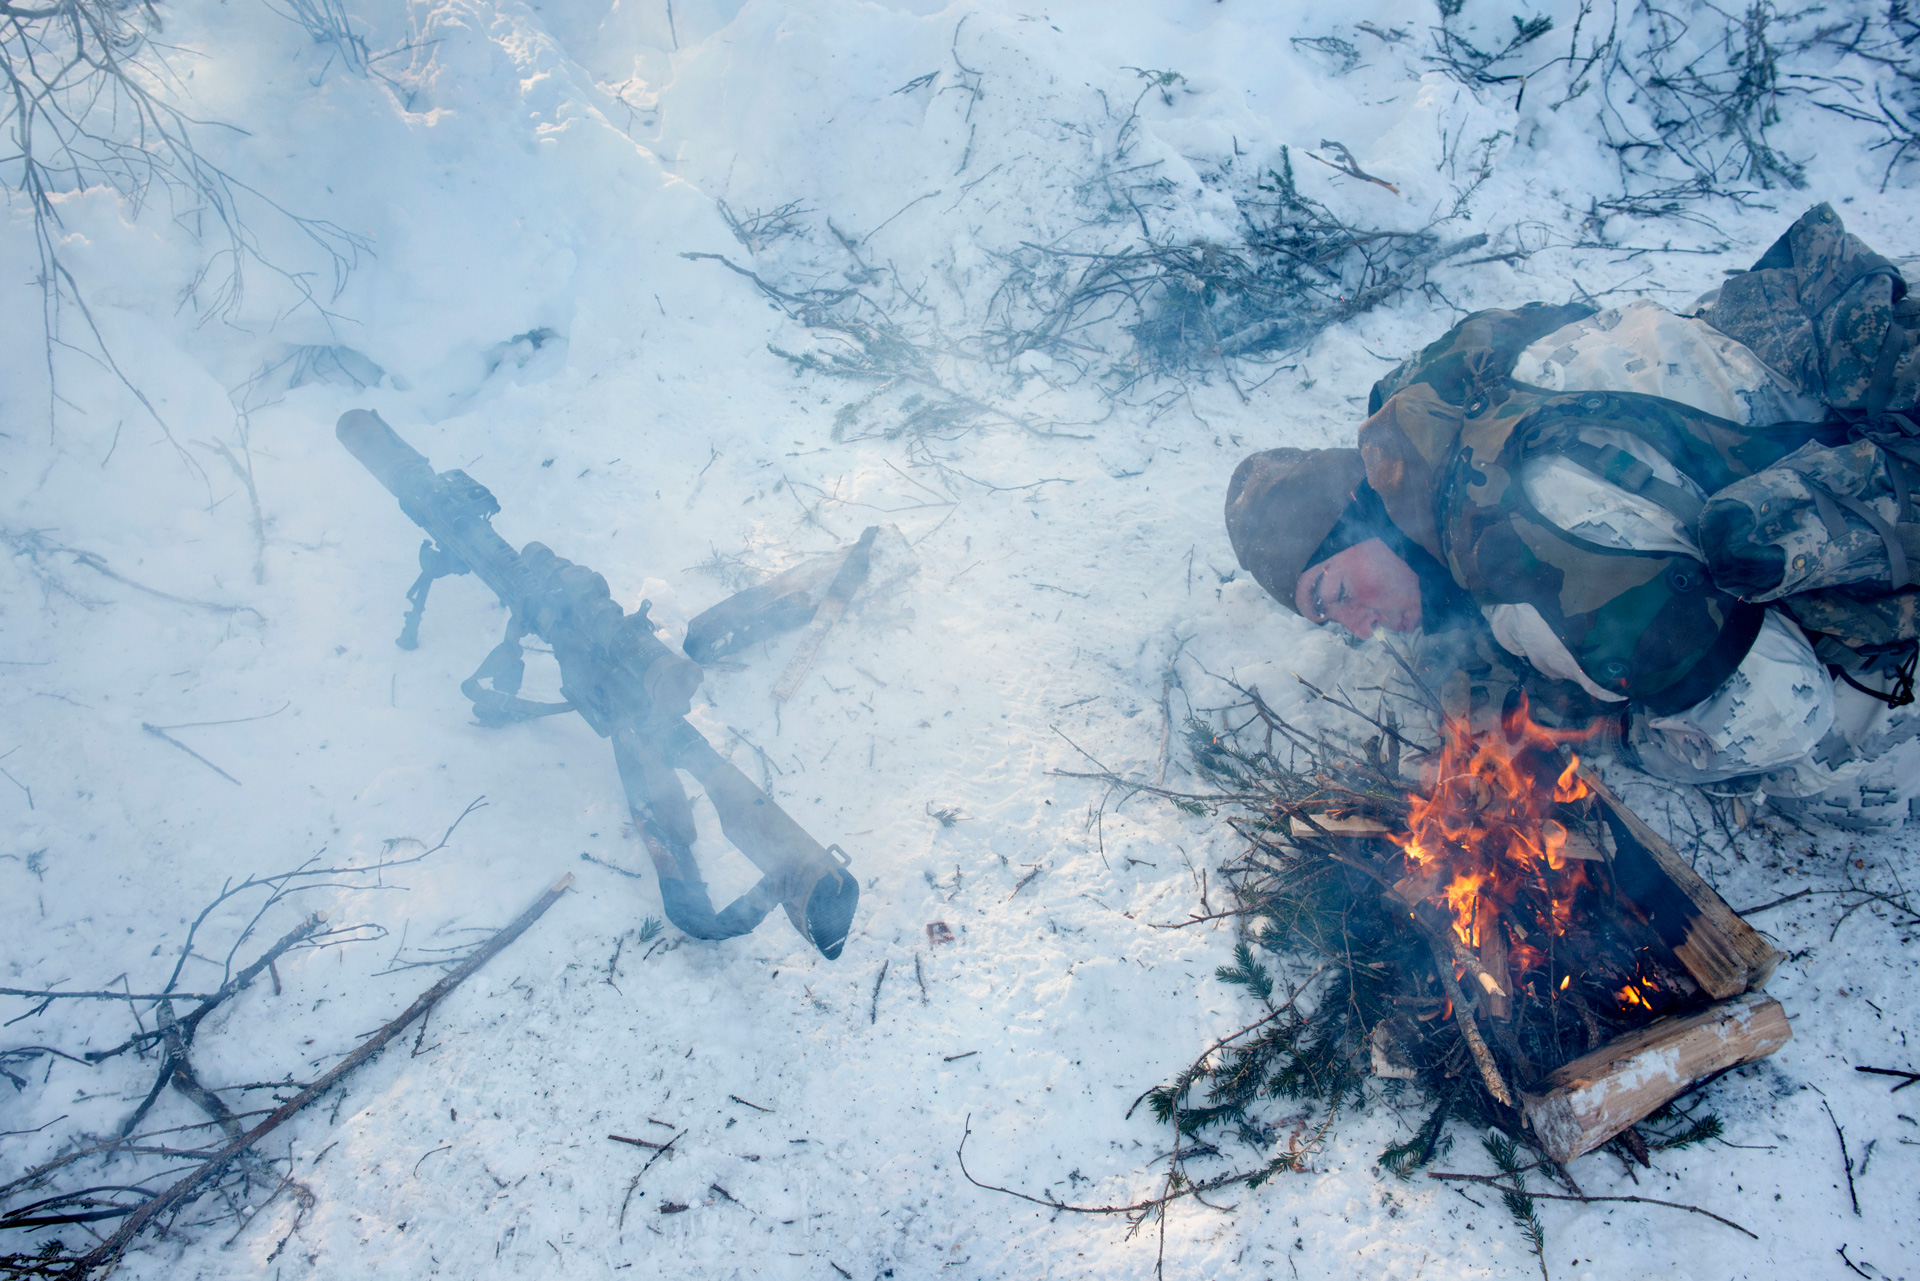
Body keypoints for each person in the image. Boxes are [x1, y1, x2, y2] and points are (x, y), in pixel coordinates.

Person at [1225, 204, 1920, 831]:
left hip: (1883, 455)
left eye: (1337, 592)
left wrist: (1610, 732)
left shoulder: (1523, 567)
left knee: (1821, 776)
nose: (1361, 626)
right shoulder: (1430, 402)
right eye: (1334, 622)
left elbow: (1784, 713)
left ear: (1357, 515)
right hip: (1813, 323)